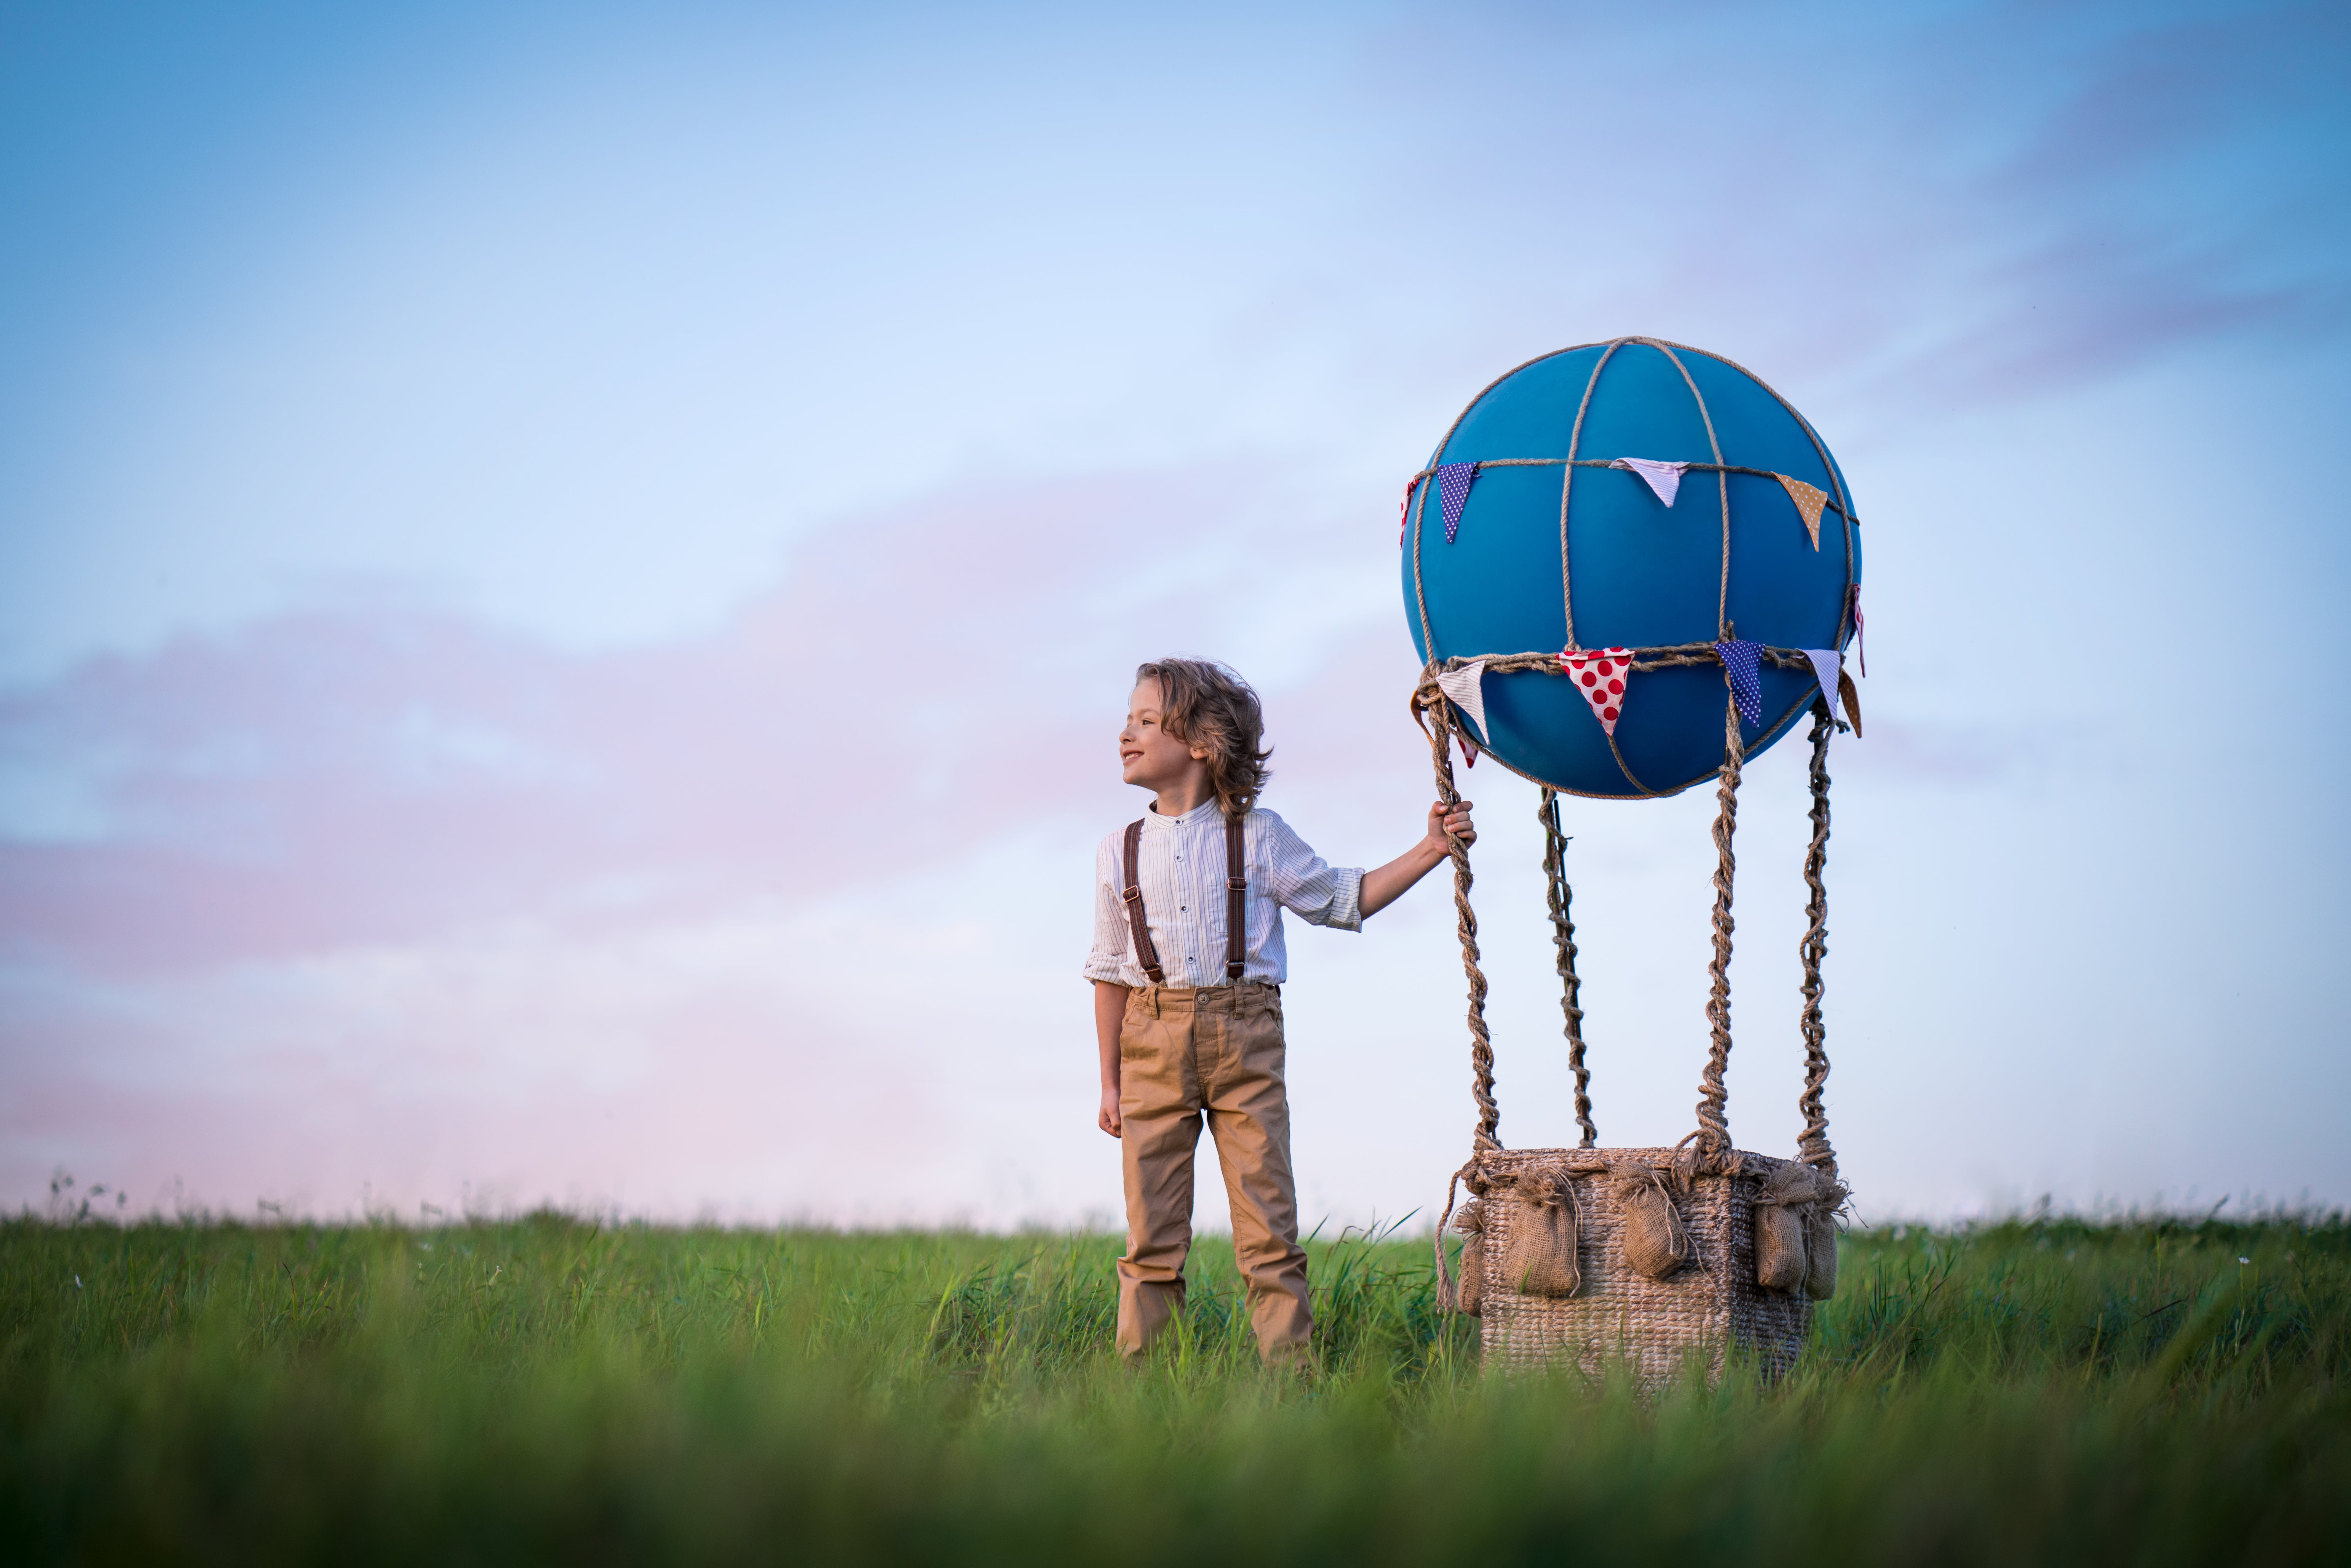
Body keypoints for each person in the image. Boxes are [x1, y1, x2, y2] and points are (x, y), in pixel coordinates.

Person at [1085, 657, 1476, 1364]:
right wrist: (1111, 1081)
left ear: (1202, 743)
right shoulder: (1119, 851)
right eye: (1128, 720)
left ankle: (1289, 1384)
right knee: (1150, 1239)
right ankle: (1141, 1392)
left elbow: (1339, 898)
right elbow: (1109, 972)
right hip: (1151, 1041)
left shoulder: (1258, 836)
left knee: (1269, 1234)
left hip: (1245, 1040)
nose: (1125, 733)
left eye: (1146, 721)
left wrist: (1430, 849)